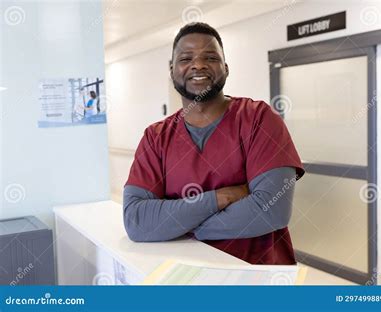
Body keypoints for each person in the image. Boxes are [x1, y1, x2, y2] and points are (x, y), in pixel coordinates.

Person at [123, 22, 305, 265]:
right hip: (184, 274)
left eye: (210, 57)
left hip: (259, 275)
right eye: (186, 58)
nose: (198, 64)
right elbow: (137, 222)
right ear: (172, 70)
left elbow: (272, 210)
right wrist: (221, 197)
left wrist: (182, 224)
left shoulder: (259, 119)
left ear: (226, 68)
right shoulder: (155, 137)